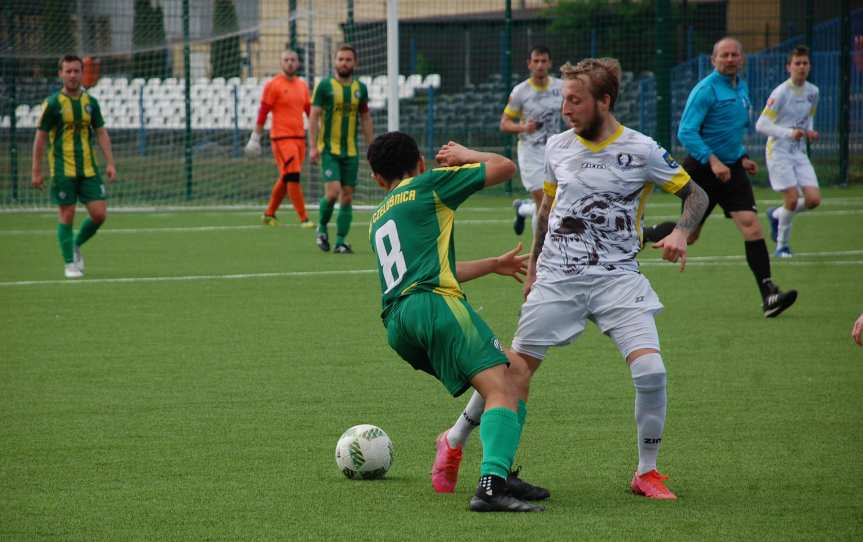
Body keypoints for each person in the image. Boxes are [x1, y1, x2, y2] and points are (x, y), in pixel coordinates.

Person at [432, 58, 710, 501]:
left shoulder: (641, 150)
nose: (565, 108)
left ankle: (646, 472)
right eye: (564, 98)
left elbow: (696, 193)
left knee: (652, 372)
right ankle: (454, 439)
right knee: (513, 372)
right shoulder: (558, 146)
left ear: (605, 101)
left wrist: (680, 231)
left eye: (575, 99)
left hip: (619, 279)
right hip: (558, 278)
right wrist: (536, 268)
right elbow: (546, 211)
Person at [367, 131, 545, 512]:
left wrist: (494, 265)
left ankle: (503, 470)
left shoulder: (380, 214)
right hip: (435, 307)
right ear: (419, 163)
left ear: (378, 179)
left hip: (399, 323)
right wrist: (467, 153)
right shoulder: (427, 185)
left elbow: (433, 270)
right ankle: (490, 488)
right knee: (503, 388)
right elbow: (504, 167)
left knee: (515, 371)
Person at [655, 37, 798, 318]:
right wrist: (713, 160)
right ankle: (641, 234)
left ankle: (769, 295)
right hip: (703, 171)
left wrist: (742, 156)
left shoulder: (740, 87)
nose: (730, 59)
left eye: (735, 55)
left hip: (732, 170)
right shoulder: (705, 90)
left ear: (741, 59)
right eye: (725, 55)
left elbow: (731, 129)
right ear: (714, 60)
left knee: (752, 226)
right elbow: (686, 132)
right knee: (690, 234)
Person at [31, 54, 117, 279]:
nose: (72, 75)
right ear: (60, 74)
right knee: (67, 213)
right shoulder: (53, 104)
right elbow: (39, 139)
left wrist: (110, 163)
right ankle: (70, 263)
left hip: (89, 169)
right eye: (67, 71)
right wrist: (37, 171)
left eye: (76, 71)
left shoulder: (91, 102)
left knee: (99, 215)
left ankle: (75, 245)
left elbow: (101, 132)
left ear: (82, 73)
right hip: (63, 169)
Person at [756, 45, 820, 258]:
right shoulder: (781, 92)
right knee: (791, 199)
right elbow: (762, 125)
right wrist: (788, 133)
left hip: (799, 152)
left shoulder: (813, 92)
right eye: (797, 63)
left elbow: (808, 117)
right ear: (788, 67)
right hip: (779, 151)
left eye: (805, 63)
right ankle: (782, 246)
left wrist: (808, 131)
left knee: (813, 200)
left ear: (809, 66)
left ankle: (776, 214)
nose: (801, 67)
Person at [309, 44, 374, 254]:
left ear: (355, 63)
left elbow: (365, 118)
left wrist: (371, 147)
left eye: (348, 59)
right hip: (329, 150)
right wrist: (312, 146)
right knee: (333, 192)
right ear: (335, 62)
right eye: (340, 59)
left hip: (351, 151)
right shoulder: (325, 86)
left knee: (347, 195)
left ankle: (340, 241)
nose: (344, 63)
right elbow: (314, 116)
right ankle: (321, 228)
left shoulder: (360, 89)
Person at [246, 48, 314, 228]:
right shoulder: (273, 85)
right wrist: (255, 137)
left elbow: (310, 112)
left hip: (300, 138)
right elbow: (263, 111)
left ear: (298, 63)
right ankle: (304, 218)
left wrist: (318, 134)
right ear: (281, 63)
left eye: (293, 60)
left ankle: (269, 214)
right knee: (292, 176)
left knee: (286, 177)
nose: (290, 63)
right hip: (281, 138)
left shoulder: (302, 85)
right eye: (286, 60)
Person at [500, 45, 563, 236]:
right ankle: (541, 253)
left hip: (555, 151)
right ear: (529, 64)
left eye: (544, 61)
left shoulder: (561, 88)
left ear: (550, 63)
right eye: (536, 61)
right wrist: (523, 127)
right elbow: (504, 124)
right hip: (531, 152)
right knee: (545, 201)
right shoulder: (520, 91)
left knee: (553, 201)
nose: (540, 65)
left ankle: (522, 209)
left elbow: (569, 115)